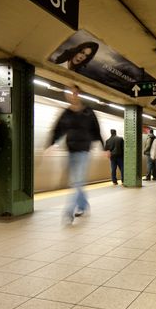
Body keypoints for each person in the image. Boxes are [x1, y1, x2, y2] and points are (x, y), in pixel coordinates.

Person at [48, 85, 103, 224]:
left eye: (74, 92)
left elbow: (96, 129)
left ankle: (68, 212)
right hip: (70, 151)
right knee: (77, 182)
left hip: (84, 151)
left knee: (77, 182)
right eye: (68, 92)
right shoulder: (66, 113)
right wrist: (51, 144)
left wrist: (104, 147)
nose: (71, 95)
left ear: (79, 94)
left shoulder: (88, 112)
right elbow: (58, 129)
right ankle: (83, 205)